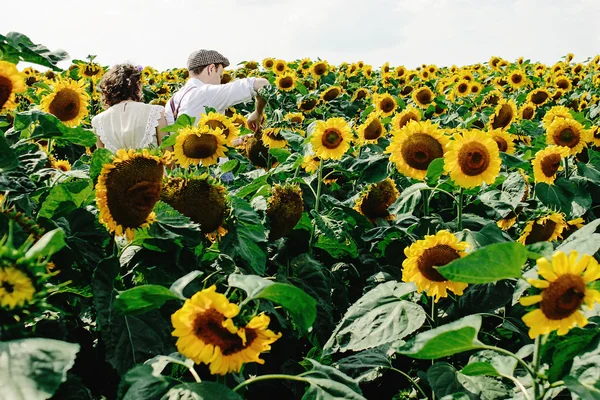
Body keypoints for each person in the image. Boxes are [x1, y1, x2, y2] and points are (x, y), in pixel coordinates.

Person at [165, 49, 270, 133]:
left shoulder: (171, 102)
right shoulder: (207, 93)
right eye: (220, 76)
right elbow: (263, 84)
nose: (220, 82)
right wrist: (258, 113)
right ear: (211, 69)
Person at [92, 63, 169, 153]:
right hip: (152, 166)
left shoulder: (98, 121)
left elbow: (101, 161)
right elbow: (169, 160)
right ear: (138, 85)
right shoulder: (156, 113)